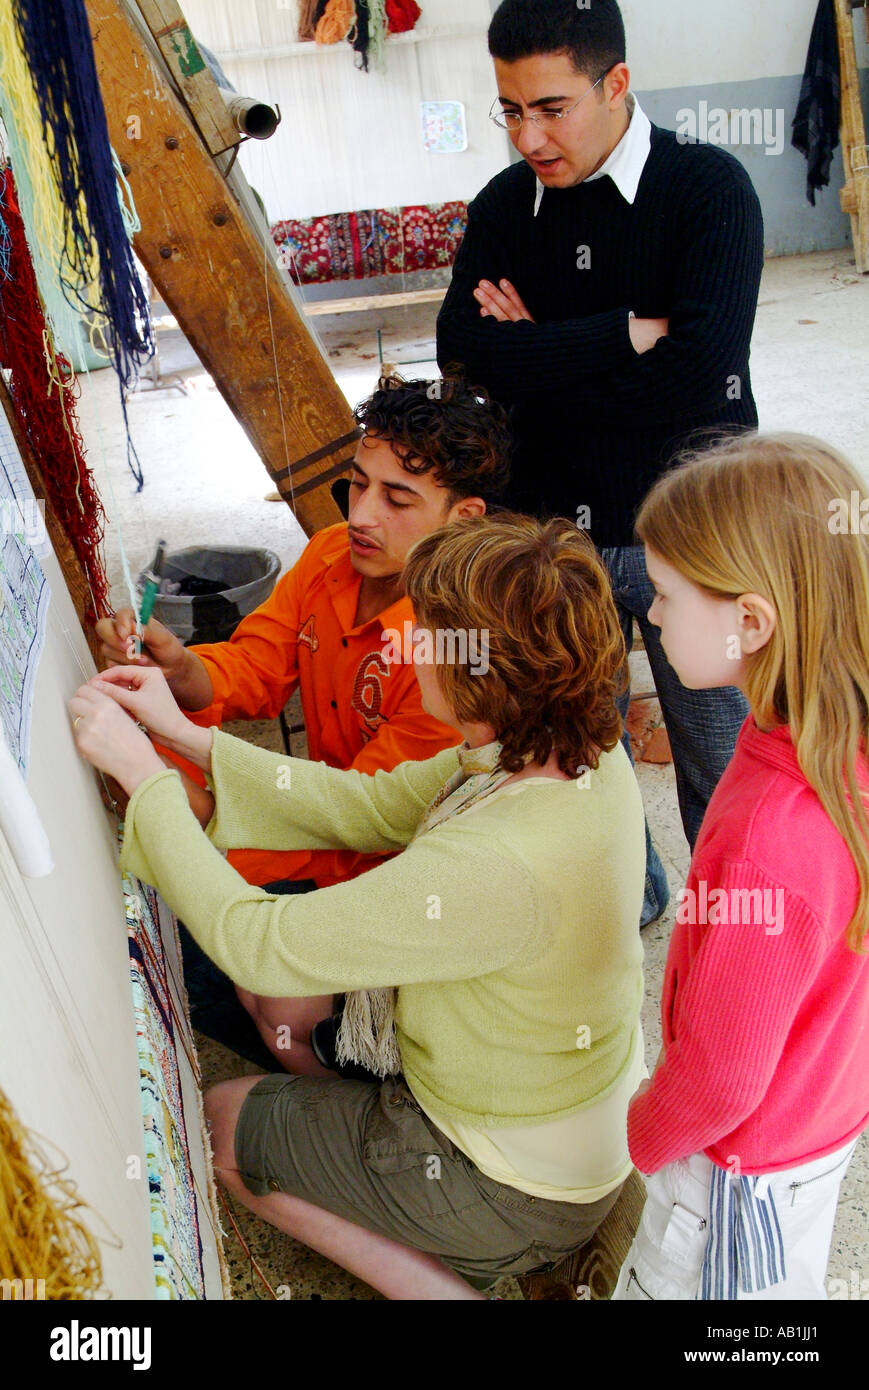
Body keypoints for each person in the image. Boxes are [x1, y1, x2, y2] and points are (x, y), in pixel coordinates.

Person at [71, 514, 646, 1299]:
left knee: (222, 1128)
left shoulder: (495, 858)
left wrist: (151, 783)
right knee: (277, 1000)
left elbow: (256, 938)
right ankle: (384, 1163)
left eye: (430, 634)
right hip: (561, 1122)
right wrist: (181, 734)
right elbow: (368, 806)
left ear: (480, 668)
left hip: (520, 1183)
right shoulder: (567, 746)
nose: (410, 647)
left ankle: (465, 1282)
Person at [437, 0, 765, 925]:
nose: (526, 135)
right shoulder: (506, 207)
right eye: (507, 110)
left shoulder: (707, 190)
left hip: (688, 543)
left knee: (721, 759)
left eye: (550, 107)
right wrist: (620, 333)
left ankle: (735, 941)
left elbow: (700, 379)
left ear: (615, 84)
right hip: (549, 544)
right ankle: (638, 905)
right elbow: (462, 358)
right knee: (579, 761)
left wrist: (536, 355)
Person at [95, 376, 511, 1076]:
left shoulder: (453, 652)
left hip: (380, 865)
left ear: (464, 517)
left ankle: (351, 1070)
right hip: (318, 821)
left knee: (201, 943)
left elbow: (361, 814)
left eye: (397, 498)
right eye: (357, 485)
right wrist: (179, 669)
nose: (362, 514)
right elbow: (256, 668)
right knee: (185, 921)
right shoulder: (327, 557)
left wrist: (185, 800)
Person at [611, 434, 869, 1300]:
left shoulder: (769, 837)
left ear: (750, 621)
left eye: (666, 596)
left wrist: (642, 1131)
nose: (649, 617)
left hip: (729, 1180)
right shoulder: (834, 744)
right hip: (817, 1124)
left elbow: (720, 1075)